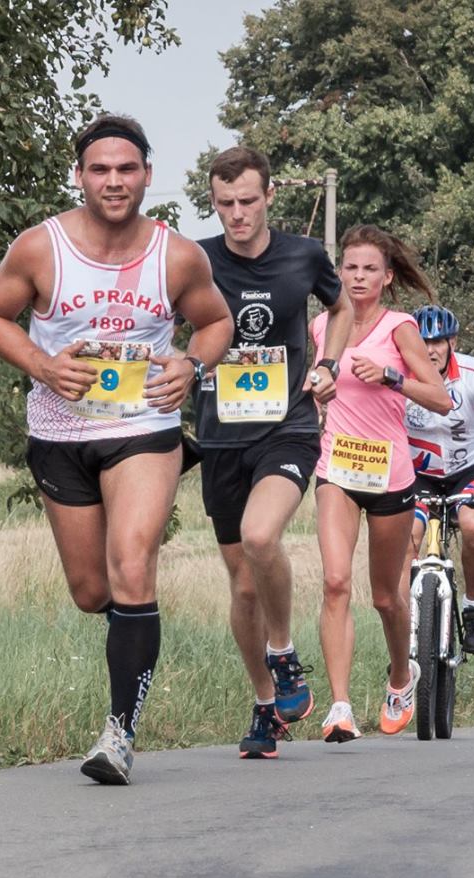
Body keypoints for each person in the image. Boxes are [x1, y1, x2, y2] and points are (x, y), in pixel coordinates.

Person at [0, 114, 232, 785]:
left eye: (126, 169)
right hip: (60, 433)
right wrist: (42, 365)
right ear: (80, 176)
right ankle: (133, 625)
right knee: (94, 592)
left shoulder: (177, 256)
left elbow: (215, 322)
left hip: (144, 427)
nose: (114, 181)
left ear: (147, 175)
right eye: (100, 169)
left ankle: (119, 734)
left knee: (132, 565)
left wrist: (192, 366)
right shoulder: (41, 247)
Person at [194, 146, 353, 759]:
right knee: (242, 588)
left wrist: (329, 363)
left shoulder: (304, 255)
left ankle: (283, 653)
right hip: (219, 434)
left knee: (261, 537)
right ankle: (266, 704)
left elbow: (340, 307)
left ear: (269, 197)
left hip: (287, 425)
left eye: (247, 201)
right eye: (224, 204)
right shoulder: (196, 260)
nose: (237, 214)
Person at [309, 226, 453, 742]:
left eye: (370, 269)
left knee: (386, 598)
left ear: (387, 277)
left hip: (390, 475)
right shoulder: (322, 325)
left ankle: (399, 677)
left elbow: (441, 398)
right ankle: (340, 707)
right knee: (334, 582)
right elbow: (311, 385)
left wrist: (391, 378)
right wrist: (314, 389)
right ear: (338, 272)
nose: (358, 277)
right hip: (337, 470)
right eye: (350, 267)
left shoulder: (400, 328)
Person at [404, 305, 474, 655]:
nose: (430, 350)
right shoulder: (400, 375)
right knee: (407, 537)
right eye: (422, 342)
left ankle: (473, 607)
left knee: (473, 525)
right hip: (418, 473)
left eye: (437, 342)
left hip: (470, 468)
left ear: (452, 342)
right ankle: (404, 627)